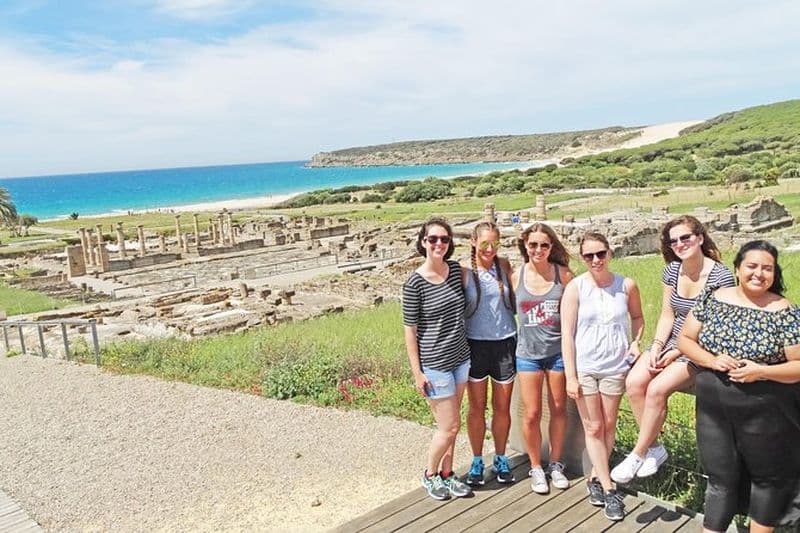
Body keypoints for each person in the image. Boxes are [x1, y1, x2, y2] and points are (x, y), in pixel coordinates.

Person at [678, 240, 800, 533]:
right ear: (737, 268)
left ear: (774, 273)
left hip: (765, 413)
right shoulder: (712, 298)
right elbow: (685, 340)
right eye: (752, 266)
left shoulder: (784, 311)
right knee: (720, 480)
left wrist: (761, 371)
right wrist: (712, 359)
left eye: (767, 268)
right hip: (713, 410)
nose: (759, 273)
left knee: (767, 481)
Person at [611, 216, 735, 483]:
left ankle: (637, 453)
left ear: (700, 238)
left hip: (700, 347)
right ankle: (655, 448)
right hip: (670, 341)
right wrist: (657, 346)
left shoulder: (721, 276)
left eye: (685, 237)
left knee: (657, 389)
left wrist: (678, 352)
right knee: (634, 382)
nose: (680, 244)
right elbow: (668, 313)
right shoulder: (672, 271)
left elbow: (716, 326)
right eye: (674, 241)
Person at [561, 232, 644, 521]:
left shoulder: (626, 285)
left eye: (600, 254)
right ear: (582, 258)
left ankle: (596, 477)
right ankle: (609, 489)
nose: (596, 260)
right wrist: (570, 375)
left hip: (615, 366)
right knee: (594, 427)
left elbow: (638, 318)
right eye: (589, 256)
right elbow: (566, 334)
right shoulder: (575, 288)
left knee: (608, 425)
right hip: (585, 367)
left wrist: (636, 342)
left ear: (610, 253)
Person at [402, 217, 473, 501]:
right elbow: (410, 331)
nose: (439, 244)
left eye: (444, 239)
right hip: (435, 364)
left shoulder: (455, 270)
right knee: (449, 426)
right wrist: (417, 373)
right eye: (433, 239)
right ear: (423, 242)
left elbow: (483, 274)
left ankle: (448, 473)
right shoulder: (414, 283)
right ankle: (430, 474)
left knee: (454, 424)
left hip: (460, 358)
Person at [511, 223, 574, 494]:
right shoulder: (516, 276)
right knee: (532, 412)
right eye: (533, 244)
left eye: (544, 245)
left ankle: (556, 464)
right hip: (528, 354)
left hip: (557, 352)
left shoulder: (564, 275)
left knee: (559, 409)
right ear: (525, 245)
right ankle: (536, 466)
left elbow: (576, 312)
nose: (538, 250)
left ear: (551, 247)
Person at [462, 222, 517, 487]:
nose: (489, 249)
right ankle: (476, 460)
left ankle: (501, 457)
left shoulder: (503, 266)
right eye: (484, 243)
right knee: (476, 407)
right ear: (473, 241)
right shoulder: (463, 272)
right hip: (475, 344)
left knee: (502, 407)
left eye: (495, 243)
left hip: (504, 343)